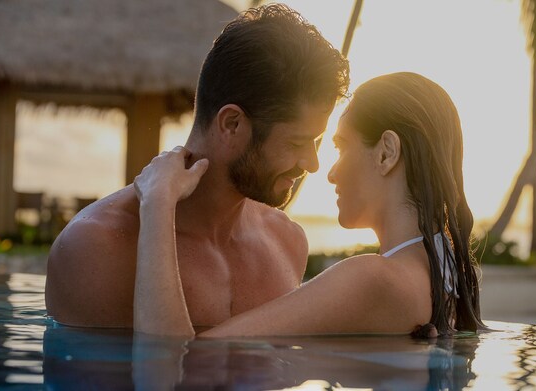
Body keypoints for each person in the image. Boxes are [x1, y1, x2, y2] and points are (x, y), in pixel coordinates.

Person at [45, 4, 349, 328]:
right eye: (296, 143)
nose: (312, 164)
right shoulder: (94, 250)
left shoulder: (287, 243)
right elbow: (150, 374)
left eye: (315, 142)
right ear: (231, 124)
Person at [131, 72, 483, 337]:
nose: (328, 173)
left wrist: (158, 201)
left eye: (342, 145)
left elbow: (175, 361)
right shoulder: (445, 277)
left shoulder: (373, 279)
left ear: (387, 153)